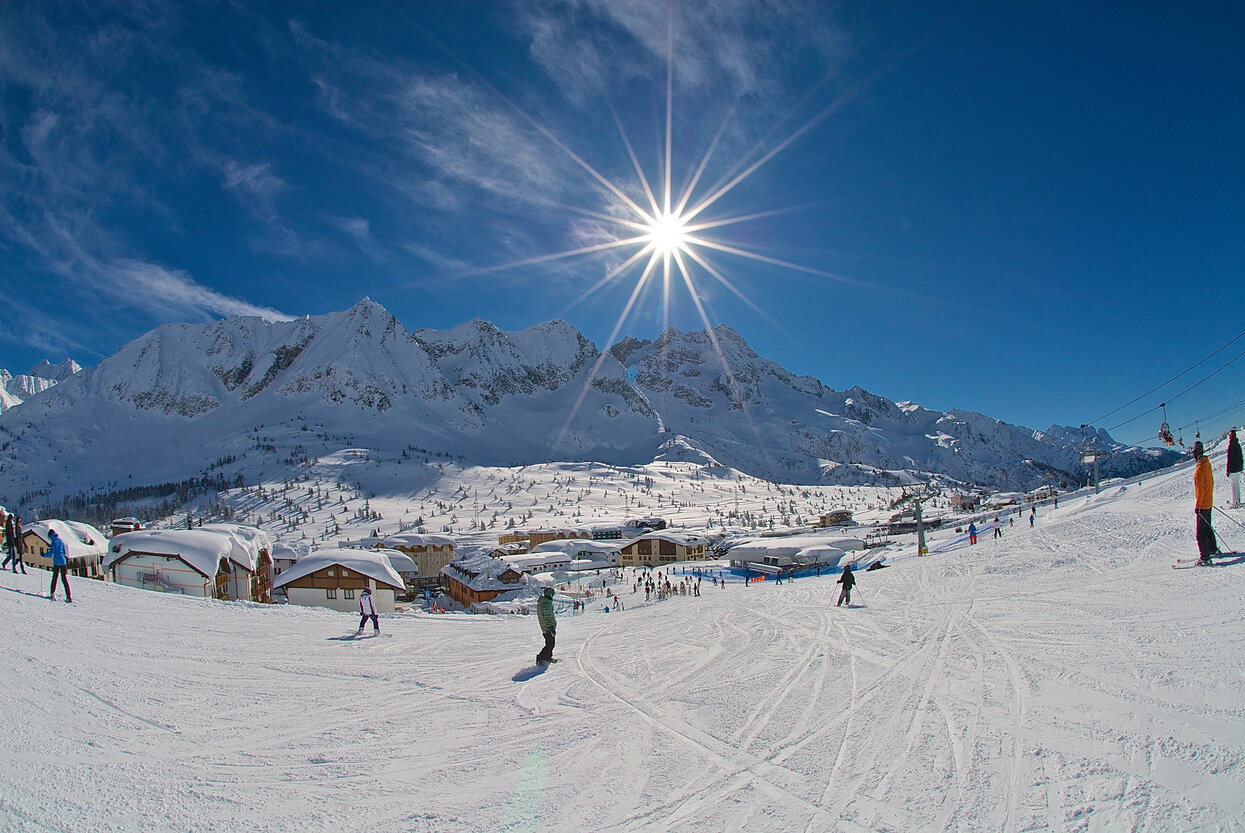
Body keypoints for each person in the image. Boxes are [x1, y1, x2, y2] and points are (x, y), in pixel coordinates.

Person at [1192, 441, 1218, 565]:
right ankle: (1213, 549)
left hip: (1203, 505)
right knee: (1207, 528)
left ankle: (1205, 557)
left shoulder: (1200, 470)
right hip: (1208, 502)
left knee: (1200, 533)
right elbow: (1211, 483)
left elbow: (1201, 491)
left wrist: (1198, 506)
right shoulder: (1207, 464)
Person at [47, 529, 71, 603]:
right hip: (63, 562)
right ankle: (69, 596)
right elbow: (64, 551)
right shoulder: (60, 540)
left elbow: (51, 553)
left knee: (55, 578)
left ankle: (52, 593)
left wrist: (44, 555)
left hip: (57, 562)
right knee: (64, 579)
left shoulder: (53, 542)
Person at [536, 586, 557, 666]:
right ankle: (541, 658)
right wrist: (550, 627)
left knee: (550, 643)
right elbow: (548, 616)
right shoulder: (546, 603)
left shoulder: (545, 602)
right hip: (548, 628)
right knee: (550, 644)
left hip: (546, 627)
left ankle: (547, 657)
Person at [1227, 428, 1243, 509]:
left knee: (1233, 484)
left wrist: (1228, 470)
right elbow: (1241, 456)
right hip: (1238, 468)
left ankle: (1235, 502)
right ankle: (1237, 500)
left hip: (1233, 469)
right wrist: (1241, 467)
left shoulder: (1231, 445)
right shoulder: (1237, 444)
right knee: (1237, 484)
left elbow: (1229, 458)